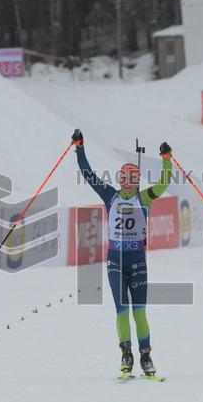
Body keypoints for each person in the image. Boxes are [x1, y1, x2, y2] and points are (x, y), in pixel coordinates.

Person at [72, 128, 173, 376]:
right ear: (119, 179)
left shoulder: (144, 198)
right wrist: (80, 147)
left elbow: (164, 183)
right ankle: (126, 355)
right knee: (121, 310)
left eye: (132, 179)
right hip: (115, 260)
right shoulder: (110, 196)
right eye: (124, 178)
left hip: (137, 260)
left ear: (137, 181)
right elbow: (88, 174)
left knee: (139, 312)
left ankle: (146, 357)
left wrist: (166, 159)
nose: (127, 183)